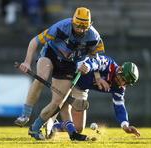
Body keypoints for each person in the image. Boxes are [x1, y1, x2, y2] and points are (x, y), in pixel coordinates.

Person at [15, 7, 108, 141]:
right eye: (78, 26)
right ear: (73, 21)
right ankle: (25, 115)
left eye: (84, 27)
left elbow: (95, 58)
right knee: (41, 77)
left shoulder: (94, 37)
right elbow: (34, 41)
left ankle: (35, 127)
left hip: (69, 65)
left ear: (90, 24)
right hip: (51, 55)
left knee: (58, 101)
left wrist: (91, 70)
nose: (81, 30)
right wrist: (27, 62)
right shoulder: (61, 27)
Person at [48, 55, 140, 138]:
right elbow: (93, 61)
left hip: (81, 88)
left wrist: (125, 125)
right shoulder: (109, 64)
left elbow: (119, 106)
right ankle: (40, 125)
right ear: (120, 70)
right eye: (123, 79)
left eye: (126, 83)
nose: (123, 83)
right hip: (71, 76)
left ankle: (53, 127)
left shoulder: (120, 88)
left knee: (78, 128)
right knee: (58, 104)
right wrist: (97, 77)